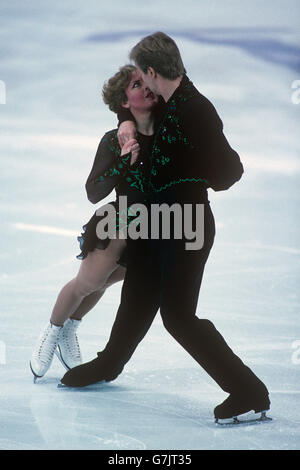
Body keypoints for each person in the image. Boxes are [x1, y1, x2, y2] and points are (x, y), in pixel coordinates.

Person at [61, 32, 270, 423]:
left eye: (142, 74)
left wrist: (188, 179)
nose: (140, 80)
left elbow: (230, 172)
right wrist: (125, 120)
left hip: (187, 225)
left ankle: (247, 390)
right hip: (155, 224)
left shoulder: (194, 110)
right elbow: (131, 112)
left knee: (178, 317)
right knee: (137, 298)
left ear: (154, 72)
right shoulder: (170, 104)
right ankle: (108, 365)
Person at [30, 64, 158, 380]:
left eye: (146, 81)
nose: (145, 86)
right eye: (136, 84)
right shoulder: (112, 140)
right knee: (88, 283)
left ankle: (71, 327)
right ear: (124, 102)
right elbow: (93, 192)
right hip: (119, 219)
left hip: (155, 224)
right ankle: (53, 331)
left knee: (108, 280)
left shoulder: (164, 130)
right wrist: (122, 159)